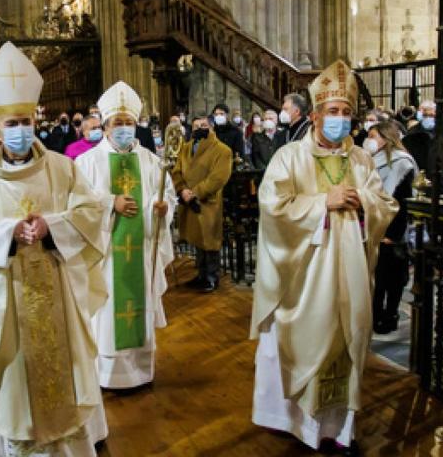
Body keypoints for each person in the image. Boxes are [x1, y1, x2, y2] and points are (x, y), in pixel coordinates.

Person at [0, 42, 109, 456]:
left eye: (27, 121)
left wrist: (53, 225)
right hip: (5, 300)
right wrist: (4, 233)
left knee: (65, 376)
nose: (21, 129)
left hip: (57, 291)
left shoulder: (61, 167)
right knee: (18, 382)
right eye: (12, 122)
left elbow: (90, 210)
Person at [250, 60, 397, 453]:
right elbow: (273, 206)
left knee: (346, 342)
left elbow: (385, 203)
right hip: (305, 275)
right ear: (315, 116)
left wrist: (363, 201)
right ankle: (294, 422)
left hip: (350, 275)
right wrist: (322, 203)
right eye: (333, 112)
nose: (341, 119)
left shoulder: (362, 161)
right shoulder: (289, 158)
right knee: (301, 341)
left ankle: (336, 428)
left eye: (347, 113)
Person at [75, 81, 177, 390]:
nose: (124, 128)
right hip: (106, 253)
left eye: (129, 123)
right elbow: (77, 205)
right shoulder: (86, 163)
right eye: (117, 123)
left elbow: (167, 195)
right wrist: (110, 203)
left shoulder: (150, 161)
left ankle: (140, 372)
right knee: (107, 313)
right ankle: (108, 374)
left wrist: (160, 211)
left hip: (141, 250)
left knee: (140, 305)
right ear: (105, 127)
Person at [171, 115, 232, 292]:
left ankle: (212, 277)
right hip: (187, 200)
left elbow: (218, 178)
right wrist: (181, 189)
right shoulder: (186, 147)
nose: (199, 128)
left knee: (209, 240)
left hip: (206, 201)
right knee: (197, 239)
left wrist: (196, 192)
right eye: (196, 126)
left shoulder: (222, 150)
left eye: (204, 125)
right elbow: (176, 171)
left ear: (212, 128)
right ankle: (201, 275)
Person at [366, 120, 416, 334]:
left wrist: (393, 234)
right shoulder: (372, 160)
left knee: (393, 279)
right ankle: (374, 315)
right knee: (376, 278)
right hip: (375, 227)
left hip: (393, 230)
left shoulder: (401, 162)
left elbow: (401, 202)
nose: (368, 141)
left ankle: (390, 315)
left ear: (386, 139)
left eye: (373, 136)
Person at [402, 100, 436, 172]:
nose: (428, 118)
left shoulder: (442, 131)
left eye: (431, 115)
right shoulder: (412, 132)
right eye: (425, 115)